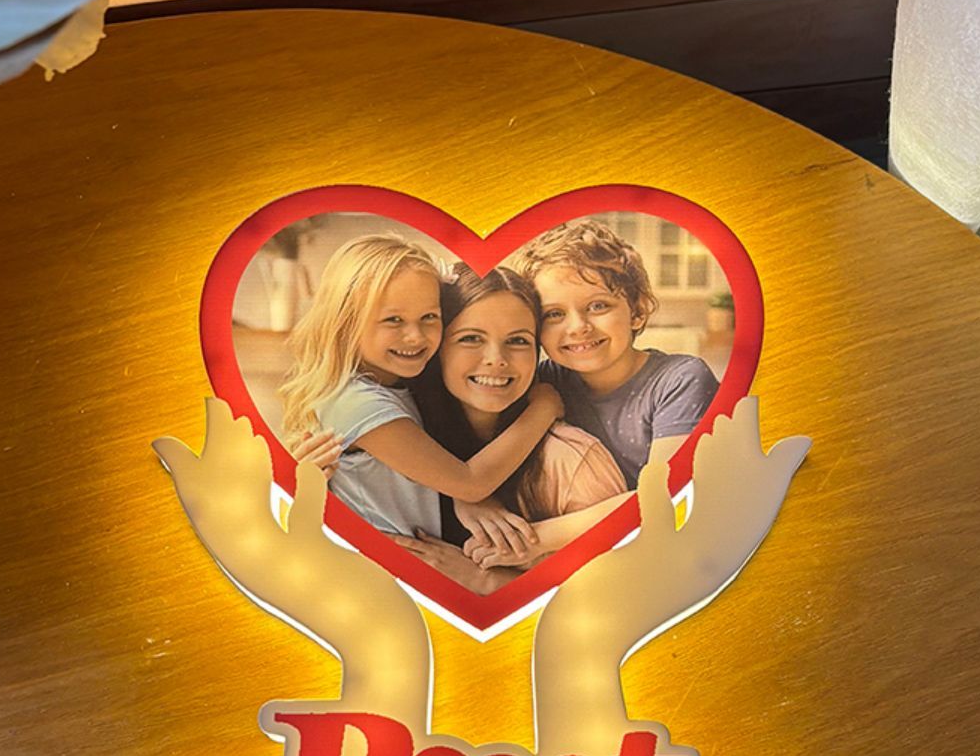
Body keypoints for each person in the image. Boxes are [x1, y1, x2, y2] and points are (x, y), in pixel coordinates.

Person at [279, 235, 561, 539]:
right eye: (393, 320)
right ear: (346, 322)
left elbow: (438, 470)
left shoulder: (397, 384)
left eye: (429, 317)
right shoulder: (357, 403)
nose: (415, 336)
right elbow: (470, 483)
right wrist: (544, 408)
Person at [399, 264, 630, 590]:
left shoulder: (569, 460)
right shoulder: (402, 443)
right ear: (436, 348)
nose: (496, 359)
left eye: (518, 341)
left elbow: (621, 588)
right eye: (471, 338)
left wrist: (485, 580)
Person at [515, 219, 720, 490]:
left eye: (598, 306)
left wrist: (531, 527)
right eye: (554, 314)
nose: (578, 327)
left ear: (638, 311)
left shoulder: (680, 381)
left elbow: (666, 498)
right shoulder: (542, 381)